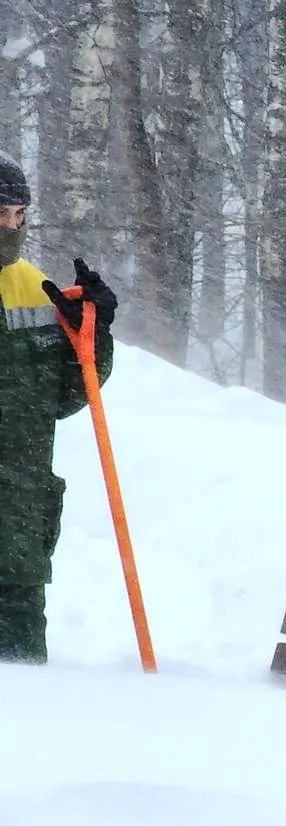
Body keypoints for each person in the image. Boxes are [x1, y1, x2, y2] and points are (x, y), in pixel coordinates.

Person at [0, 153, 116, 665]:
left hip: (17, 532)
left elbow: (64, 397)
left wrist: (93, 335)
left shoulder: (31, 285)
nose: (12, 226)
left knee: (31, 695)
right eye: (1, 213)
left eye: (19, 215)